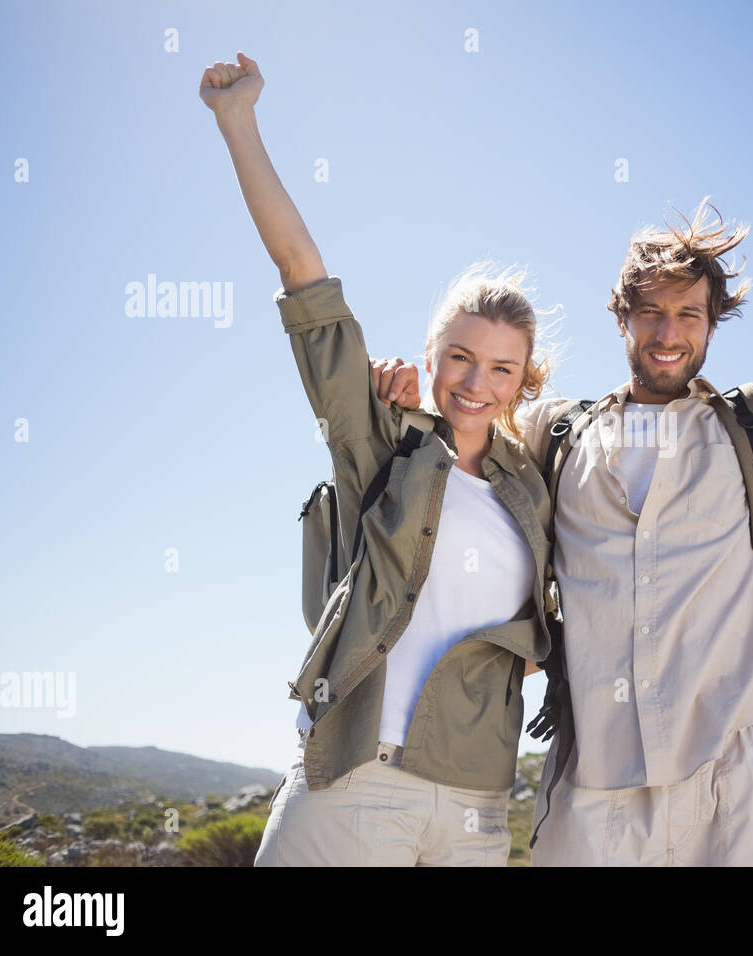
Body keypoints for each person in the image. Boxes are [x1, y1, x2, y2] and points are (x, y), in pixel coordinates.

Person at [374, 82, 753, 866]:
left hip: (742, 784)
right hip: (596, 789)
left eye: (688, 316)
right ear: (621, 318)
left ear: (711, 324)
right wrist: (395, 400)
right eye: (651, 314)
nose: (668, 335)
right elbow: (470, 401)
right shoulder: (553, 432)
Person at [200, 52, 557, 866]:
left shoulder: (530, 488)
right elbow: (304, 278)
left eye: (502, 369)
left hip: (476, 804)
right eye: (461, 357)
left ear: (522, 382)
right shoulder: (383, 442)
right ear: (431, 354)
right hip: (356, 782)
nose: (476, 382)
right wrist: (239, 122)